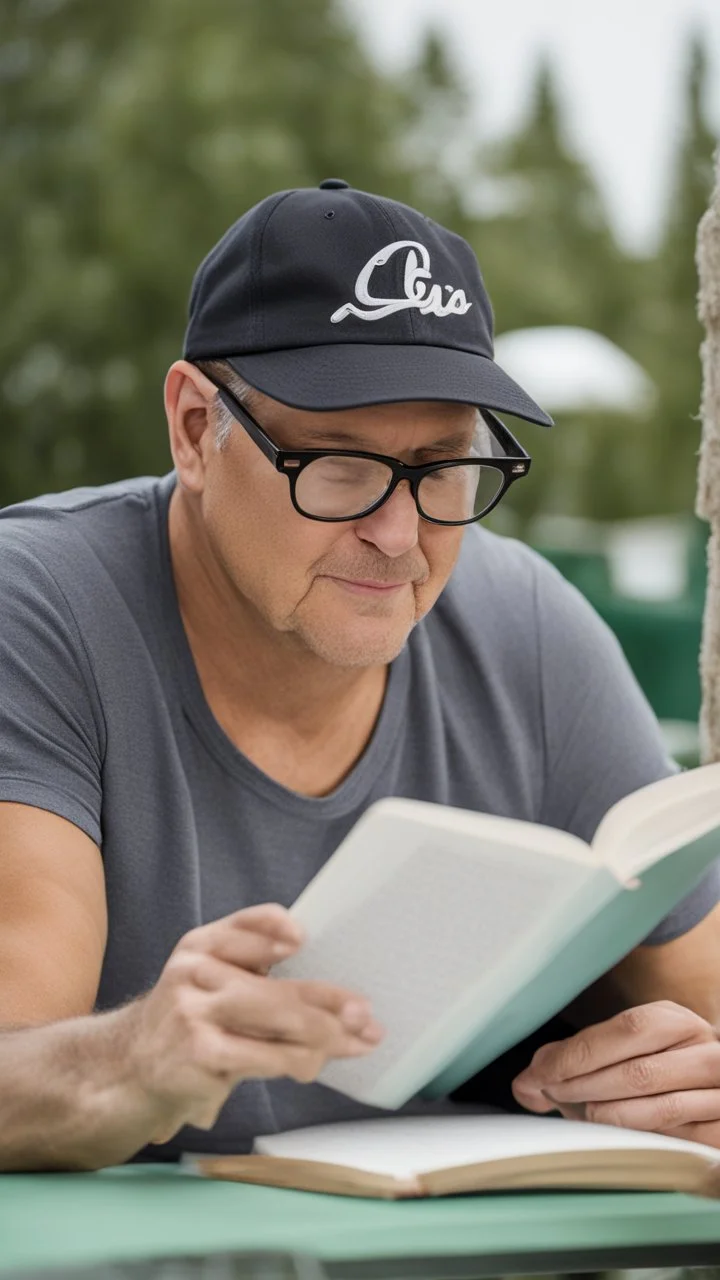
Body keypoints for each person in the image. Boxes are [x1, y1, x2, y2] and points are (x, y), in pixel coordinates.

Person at [2, 180, 720, 1173]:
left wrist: (677, 1076)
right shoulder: (38, 611)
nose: (397, 534)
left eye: (442, 467)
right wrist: (138, 1057)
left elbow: (705, 1006)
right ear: (192, 427)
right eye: (338, 465)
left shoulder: (530, 628)